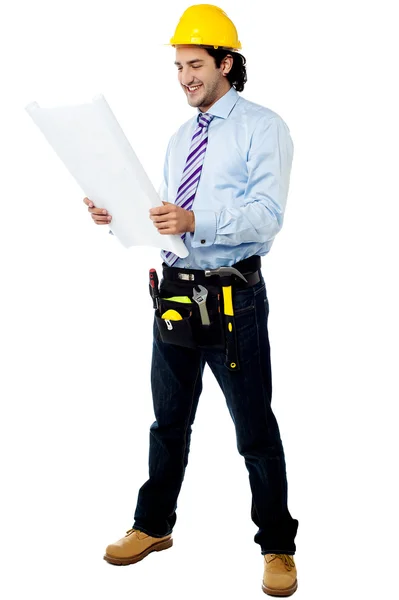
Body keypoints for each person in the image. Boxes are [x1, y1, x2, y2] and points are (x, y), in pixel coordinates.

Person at [83, 4, 299, 596]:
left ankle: (278, 545)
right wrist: (118, 214)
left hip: (235, 298)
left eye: (196, 64)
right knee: (168, 421)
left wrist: (195, 217)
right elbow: (167, 221)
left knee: (253, 427)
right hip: (175, 293)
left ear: (227, 63)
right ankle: (152, 526)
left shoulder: (263, 127)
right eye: (179, 67)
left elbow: (267, 216)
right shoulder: (181, 137)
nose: (185, 78)